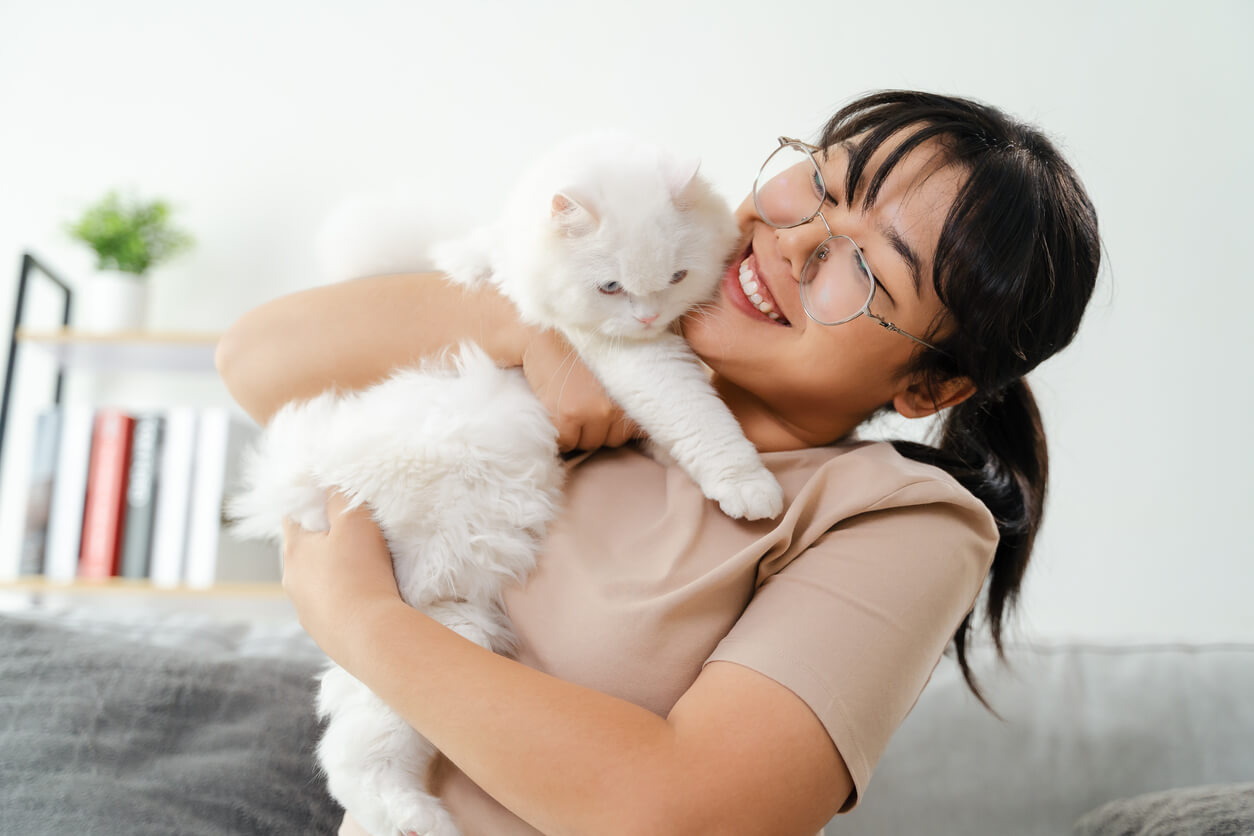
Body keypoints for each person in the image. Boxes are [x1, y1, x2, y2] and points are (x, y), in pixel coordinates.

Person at [216, 90, 1100, 835]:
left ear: (930, 389)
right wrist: (528, 331)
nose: (795, 242)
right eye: (822, 184)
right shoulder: (601, 311)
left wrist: (361, 618)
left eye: (866, 266)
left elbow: (685, 812)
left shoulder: (898, 519)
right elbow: (255, 364)